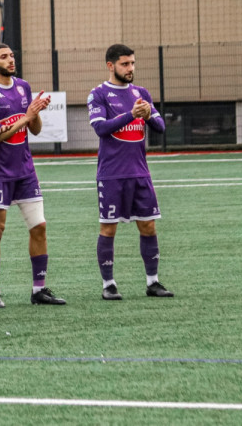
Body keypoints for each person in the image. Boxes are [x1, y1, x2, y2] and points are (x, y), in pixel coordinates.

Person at [0, 44, 65, 307]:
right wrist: (26, 118)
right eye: (4, 57)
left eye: (12, 55)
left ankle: (39, 290)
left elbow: (34, 130)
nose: (11, 60)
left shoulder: (23, 87)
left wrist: (35, 115)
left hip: (25, 172)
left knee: (39, 227)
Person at [87, 44, 172, 300]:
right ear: (110, 65)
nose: (130, 68)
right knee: (108, 229)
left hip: (140, 174)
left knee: (148, 226)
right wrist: (130, 114)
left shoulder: (141, 93)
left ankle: (153, 282)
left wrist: (147, 116)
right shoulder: (98, 94)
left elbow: (161, 127)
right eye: (125, 64)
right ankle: (109, 285)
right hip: (112, 174)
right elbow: (101, 128)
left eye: (132, 63)